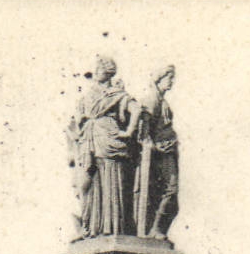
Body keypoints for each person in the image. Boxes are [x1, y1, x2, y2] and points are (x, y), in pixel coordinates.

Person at [75, 56, 140, 237]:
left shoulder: (117, 94)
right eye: (96, 69)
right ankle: (89, 226)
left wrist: (128, 131)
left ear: (108, 72)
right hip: (89, 139)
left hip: (108, 138)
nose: (95, 72)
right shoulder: (89, 95)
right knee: (86, 184)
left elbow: (136, 110)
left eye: (100, 69)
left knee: (109, 180)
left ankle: (110, 228)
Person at [137, 66, 179, 238]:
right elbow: (144, 130)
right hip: (160, 154)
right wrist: (154, 147)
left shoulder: (161, 100)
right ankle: (154, 229)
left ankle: (156, 229)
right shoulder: (152, 99)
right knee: (170, 190)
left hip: (168, 151)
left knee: (169, 193)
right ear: (159, 79)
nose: (172, 81)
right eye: (169, 77)